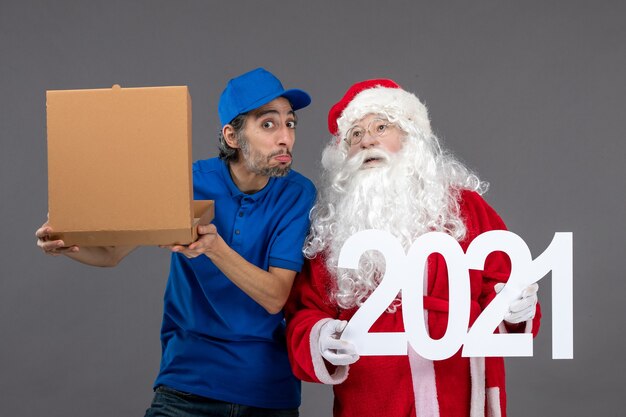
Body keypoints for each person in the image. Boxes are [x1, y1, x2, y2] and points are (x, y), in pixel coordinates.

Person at [36, 67, 316, 417]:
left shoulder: (298, 194)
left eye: (290, 123)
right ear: (232, 136)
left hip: (268, 391)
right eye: (268, 124)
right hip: (187, 385)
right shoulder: (188, 181)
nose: (285, 138)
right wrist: (67, 244)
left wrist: (215, 248)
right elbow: (111, 254)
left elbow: (276, 296)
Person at [284, 79, 541, 417]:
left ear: (411, 137)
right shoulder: (334, 228)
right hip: (374, 401)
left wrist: (514, 307)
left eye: (380, 127)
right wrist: (319, 337)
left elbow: (505, 280)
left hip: (458, 393)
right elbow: (304, 311)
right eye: (355, 135)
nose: (368, 141)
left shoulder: (464, 206)